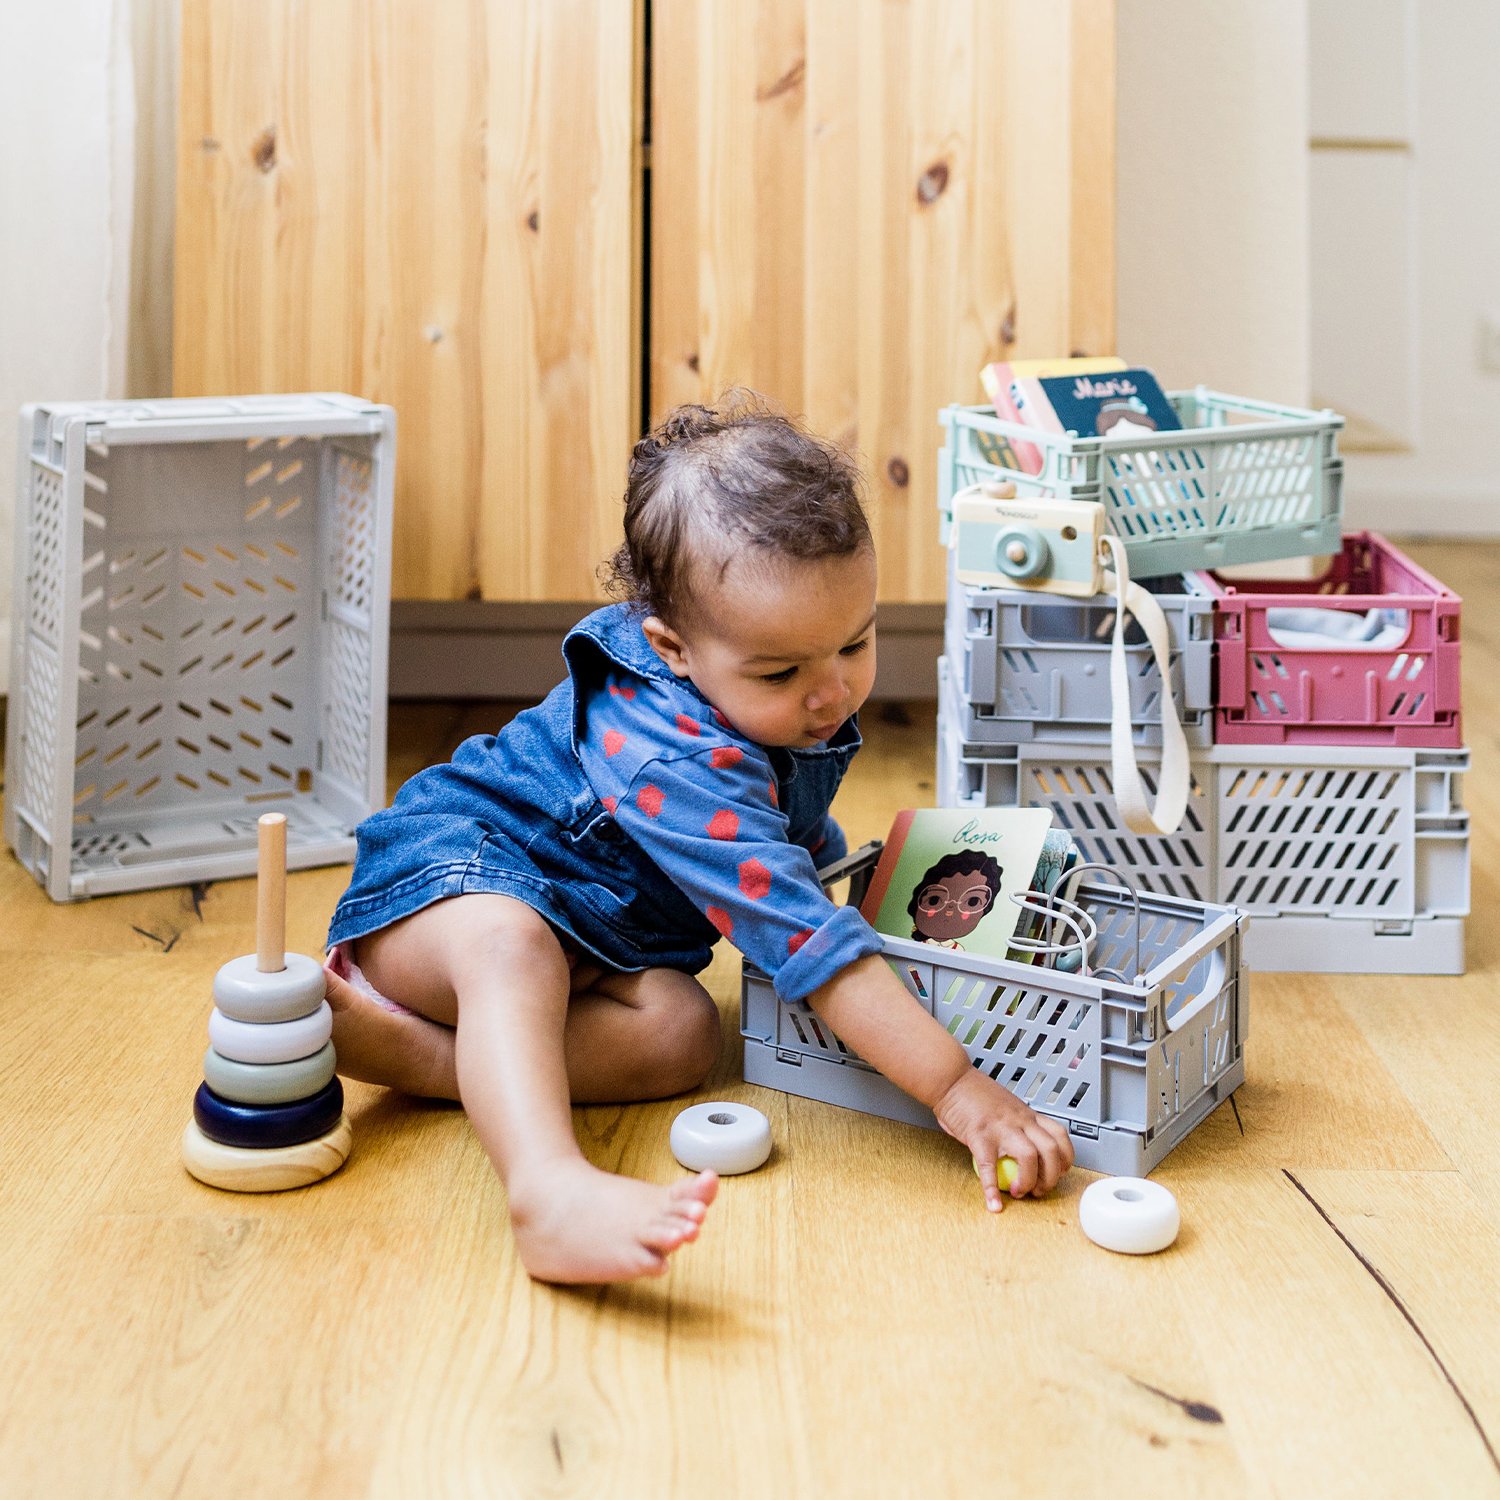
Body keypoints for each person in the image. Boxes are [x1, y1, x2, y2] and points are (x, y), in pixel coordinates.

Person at [323, 392, 1074, 1285]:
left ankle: (406, 1051)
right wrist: (957, 1088)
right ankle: (546, 1191)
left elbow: (779, 827)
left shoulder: (775, 696)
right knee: (511, 946)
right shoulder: (669, 754)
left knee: (684, 1033)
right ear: (672, 648)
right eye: (783, 671)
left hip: (595, 937)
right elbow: (804, 943)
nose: (830, 693)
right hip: (449, 885)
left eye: (856, 644)